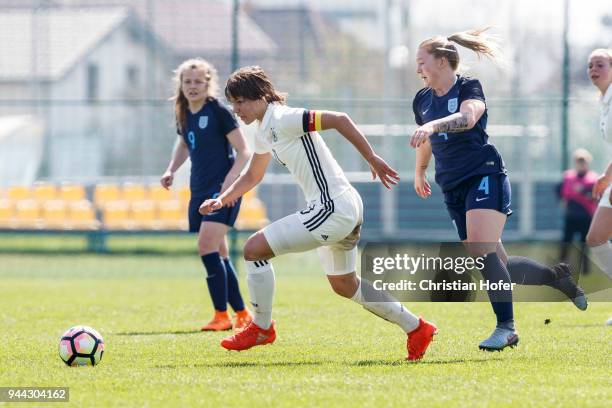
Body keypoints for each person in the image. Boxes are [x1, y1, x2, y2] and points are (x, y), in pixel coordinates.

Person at [199, 66, 437, 361]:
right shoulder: (264, 129)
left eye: (240, 101)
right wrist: (222, 200)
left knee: (253, 249)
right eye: (232, 103)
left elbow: (340, 119)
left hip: (332, 208)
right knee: (344, 285)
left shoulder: (284, 118)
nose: (235, 109)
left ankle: (261, 327)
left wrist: (371, 157)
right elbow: (253, 174)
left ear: (260, 96)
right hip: (342, 207)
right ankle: (417, 328)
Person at [409, 28, 587, 351]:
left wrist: (432, 126)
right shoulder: (421, 100)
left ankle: (507, 328)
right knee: (494, 261)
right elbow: (426, 139)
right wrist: (420, 169)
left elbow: (468, 118)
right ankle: (555, 277)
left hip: (484, 173)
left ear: (442, 61)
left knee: (481, 248)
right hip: (452, 188)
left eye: (422, 61)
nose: (417, 69)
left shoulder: (468, 87)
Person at [161, 58, 253, 332]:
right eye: (187, 82)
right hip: (199, 190)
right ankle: (242, 313)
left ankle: (220, 315)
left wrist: (229, 185)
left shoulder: (219, 112)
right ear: (181, 84)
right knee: (221, 254)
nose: (192, 86)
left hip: (220, 192)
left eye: (198, 81)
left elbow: (244, 151)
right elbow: (184, 145)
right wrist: (171, 170)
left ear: (208, 83)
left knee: (206, 246)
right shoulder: (184, 112)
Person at [584, 48, 612, 326]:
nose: (593, 69)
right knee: (596, 238)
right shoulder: (605, 99)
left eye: (600, 64)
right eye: (590, 65)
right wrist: (606, 177)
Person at [558, 149, 598, 274]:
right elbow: (559, 190)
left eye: (583, 161)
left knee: (584, 243)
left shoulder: (593, 179)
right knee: (566, 241)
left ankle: (585, 269)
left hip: (585, 215)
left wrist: (582, 192)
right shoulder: (568, 176)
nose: (581, 164)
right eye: (578, 161)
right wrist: (563, 200)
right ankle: (561, 268)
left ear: (587, 162)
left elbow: (596, 196)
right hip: (571, 215)